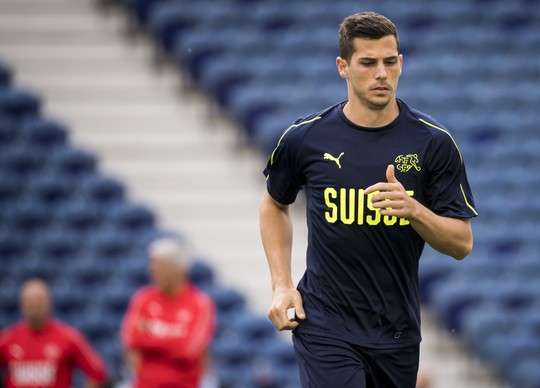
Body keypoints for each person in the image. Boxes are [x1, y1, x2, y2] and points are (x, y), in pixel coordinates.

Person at [259, 12, 478, 388]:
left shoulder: (433, 143)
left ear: (401, 64)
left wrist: (414, 210)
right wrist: (282, 284)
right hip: (325, 323)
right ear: (343, 66)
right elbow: (274, 204)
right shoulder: (305, 138)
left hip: (397, 332)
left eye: (390, 62)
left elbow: (461, 243)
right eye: (368, 63)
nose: (381, 73)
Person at [121, 237, 215, 388]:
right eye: (152, 264)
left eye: (159, 265)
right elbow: (130, 339)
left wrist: (149, 340)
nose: (152, 270)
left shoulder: (200, 303)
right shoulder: (143, 299)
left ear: (178, 269)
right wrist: (172, 341)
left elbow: (188, 349)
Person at [0, 278, 107, 388]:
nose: (34, 305)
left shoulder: (68, 337)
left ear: (49, 302)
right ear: (21, 304)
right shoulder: (8, 338)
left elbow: (98, 373)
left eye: (38, 300)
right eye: (29, 301)